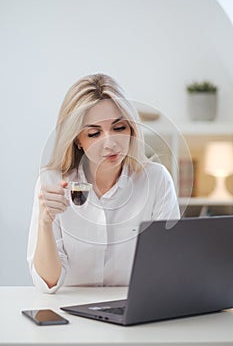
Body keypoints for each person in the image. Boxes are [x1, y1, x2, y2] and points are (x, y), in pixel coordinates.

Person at [27, 73, 180, 293]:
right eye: (94, 133)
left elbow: (169, 267)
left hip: (133, 308)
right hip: (70, 312)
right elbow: (49, 282)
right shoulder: (52, 181)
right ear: (77, 139)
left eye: (119, 128)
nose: (110, 143)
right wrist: (45, 222)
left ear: (132, 130)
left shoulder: (156, 180)